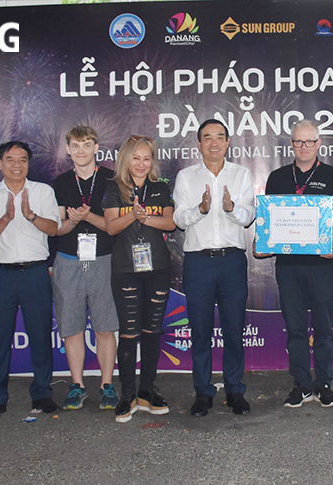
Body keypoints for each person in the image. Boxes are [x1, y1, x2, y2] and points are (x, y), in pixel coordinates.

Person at [260, 119, 333, 408]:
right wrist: (264, 243)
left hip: (322, 265)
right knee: (295, 327)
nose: (304, 147)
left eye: (310, 141)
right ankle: (301, 383)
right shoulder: (278, 177)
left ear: (319, 143)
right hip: (288, 265)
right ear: (291, 144)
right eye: (298, 141)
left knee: (323, 327)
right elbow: (271, 218)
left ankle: (323, 382)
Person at [173, 120, 255, 417]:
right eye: (207, 137)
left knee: (234, 329)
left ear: (228, 141)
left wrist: (231, 208)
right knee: (200, 330)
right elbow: (180, 220)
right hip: (198, 262)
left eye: (219, 136)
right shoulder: (186, 177)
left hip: (232, 260)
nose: (214, 142)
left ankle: (235, 389)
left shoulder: (241, 174)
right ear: (198, 144)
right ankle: (203, 391)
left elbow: (249, 216)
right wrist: (202, 209)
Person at [0, 141, 61, 419]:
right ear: (0, 163)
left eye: (22, 159)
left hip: (36, 273)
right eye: (10, 159)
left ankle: (42, 393)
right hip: (2, 275)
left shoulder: (43, 191)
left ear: (29, 163)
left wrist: (30, 216)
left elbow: (53, 229)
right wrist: (7, 218)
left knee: (40, 335)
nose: (16, 164)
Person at [104, 135, 175, 423]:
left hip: (157, 268)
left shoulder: (160, 187)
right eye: (136, 158)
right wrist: (133, 216)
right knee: (129, 332)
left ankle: (147, 391)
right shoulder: (113, 188)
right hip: (125, 270)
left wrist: (145, 218)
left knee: (152, 332)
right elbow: (110, 227)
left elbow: (170, 222)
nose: (142, 164)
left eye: (147, 158)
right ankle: (128, 394)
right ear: (126, 159)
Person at [51, 126, 120, 412]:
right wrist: (73, 221)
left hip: (104, 259)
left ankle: (107, 386)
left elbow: (114, 227)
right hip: (68, 260)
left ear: (96, 148)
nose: (81, 150)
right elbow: (57, 229)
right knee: (72, 328)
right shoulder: (59, 183)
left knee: (105, 326)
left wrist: (88, 216)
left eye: (86, 144)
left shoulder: (111, 180)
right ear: (67, 149)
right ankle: (77, 385)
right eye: (75, 145)